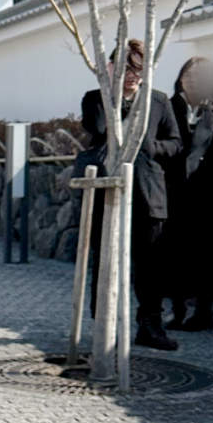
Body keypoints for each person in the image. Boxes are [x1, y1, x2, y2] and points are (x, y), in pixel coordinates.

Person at [81, 40, 182, 351]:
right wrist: (115, 96)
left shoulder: (160, 101)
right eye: (125, 69)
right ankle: (104, 328)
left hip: (149, 193)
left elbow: (176, 142)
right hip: (107, 193)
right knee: (104, 261)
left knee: (151, 266)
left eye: (138, 70)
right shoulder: (96, 98)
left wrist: (152, 147)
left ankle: (150, 325)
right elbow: (98, 129)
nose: (132, 76)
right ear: (112, 68)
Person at [164, 57, 213, 331]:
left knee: (207, 254)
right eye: (190, 75)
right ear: (181, 78)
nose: (194, 80)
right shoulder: (169, 107)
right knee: (175, 252)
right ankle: (177, 311)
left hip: (208, 195)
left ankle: (204, 313)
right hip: (176, 191)